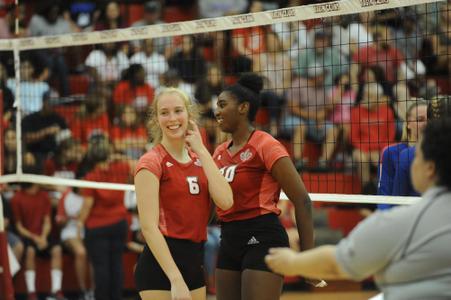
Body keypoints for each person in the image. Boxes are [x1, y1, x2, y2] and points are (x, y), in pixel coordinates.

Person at [266, 117, 451, 299]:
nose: (412, 163)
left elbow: (337, 262)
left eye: (417, 156)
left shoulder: (400, 222)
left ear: (430, 168)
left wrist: (292, 262)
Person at [213, 74, 317, 300]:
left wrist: (308, 259)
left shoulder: (265, 144)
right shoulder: (219, 152)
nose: (217, 112)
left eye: (222, 105)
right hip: (228, 238)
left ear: (243, 108)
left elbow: (302, 200)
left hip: (262, 236)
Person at [134, 87, 233, 300]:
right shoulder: (151, 162)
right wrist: (176, 279)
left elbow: (226, 201)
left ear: (189, 114)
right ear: (157, 118)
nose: (172, 118)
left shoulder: (200, 159)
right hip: (161, 268)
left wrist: (202, 150)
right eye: (164, 112)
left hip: (194, 262)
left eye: (178, 111)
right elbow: (149, 228)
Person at [78, 133, 135, 300]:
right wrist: (116, 157)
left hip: (97, 227)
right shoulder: (121, 168)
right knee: (116, 265)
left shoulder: (90, 177)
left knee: (101, 267)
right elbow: (135, 164)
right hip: (119, 224)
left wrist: (79, 224)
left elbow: (87, 206)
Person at [392, 96, 451, 197]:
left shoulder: (408, 155)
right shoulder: (405, 155)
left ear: (429, 121)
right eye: (419, 120)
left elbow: (397, 199)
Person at [377, 99, 428, 209]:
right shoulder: (390, 153)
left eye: (430, 119)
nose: (426, 124)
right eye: (420, 120)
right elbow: (384, 196)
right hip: (401, 214)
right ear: (408, 123)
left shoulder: (438, 152)